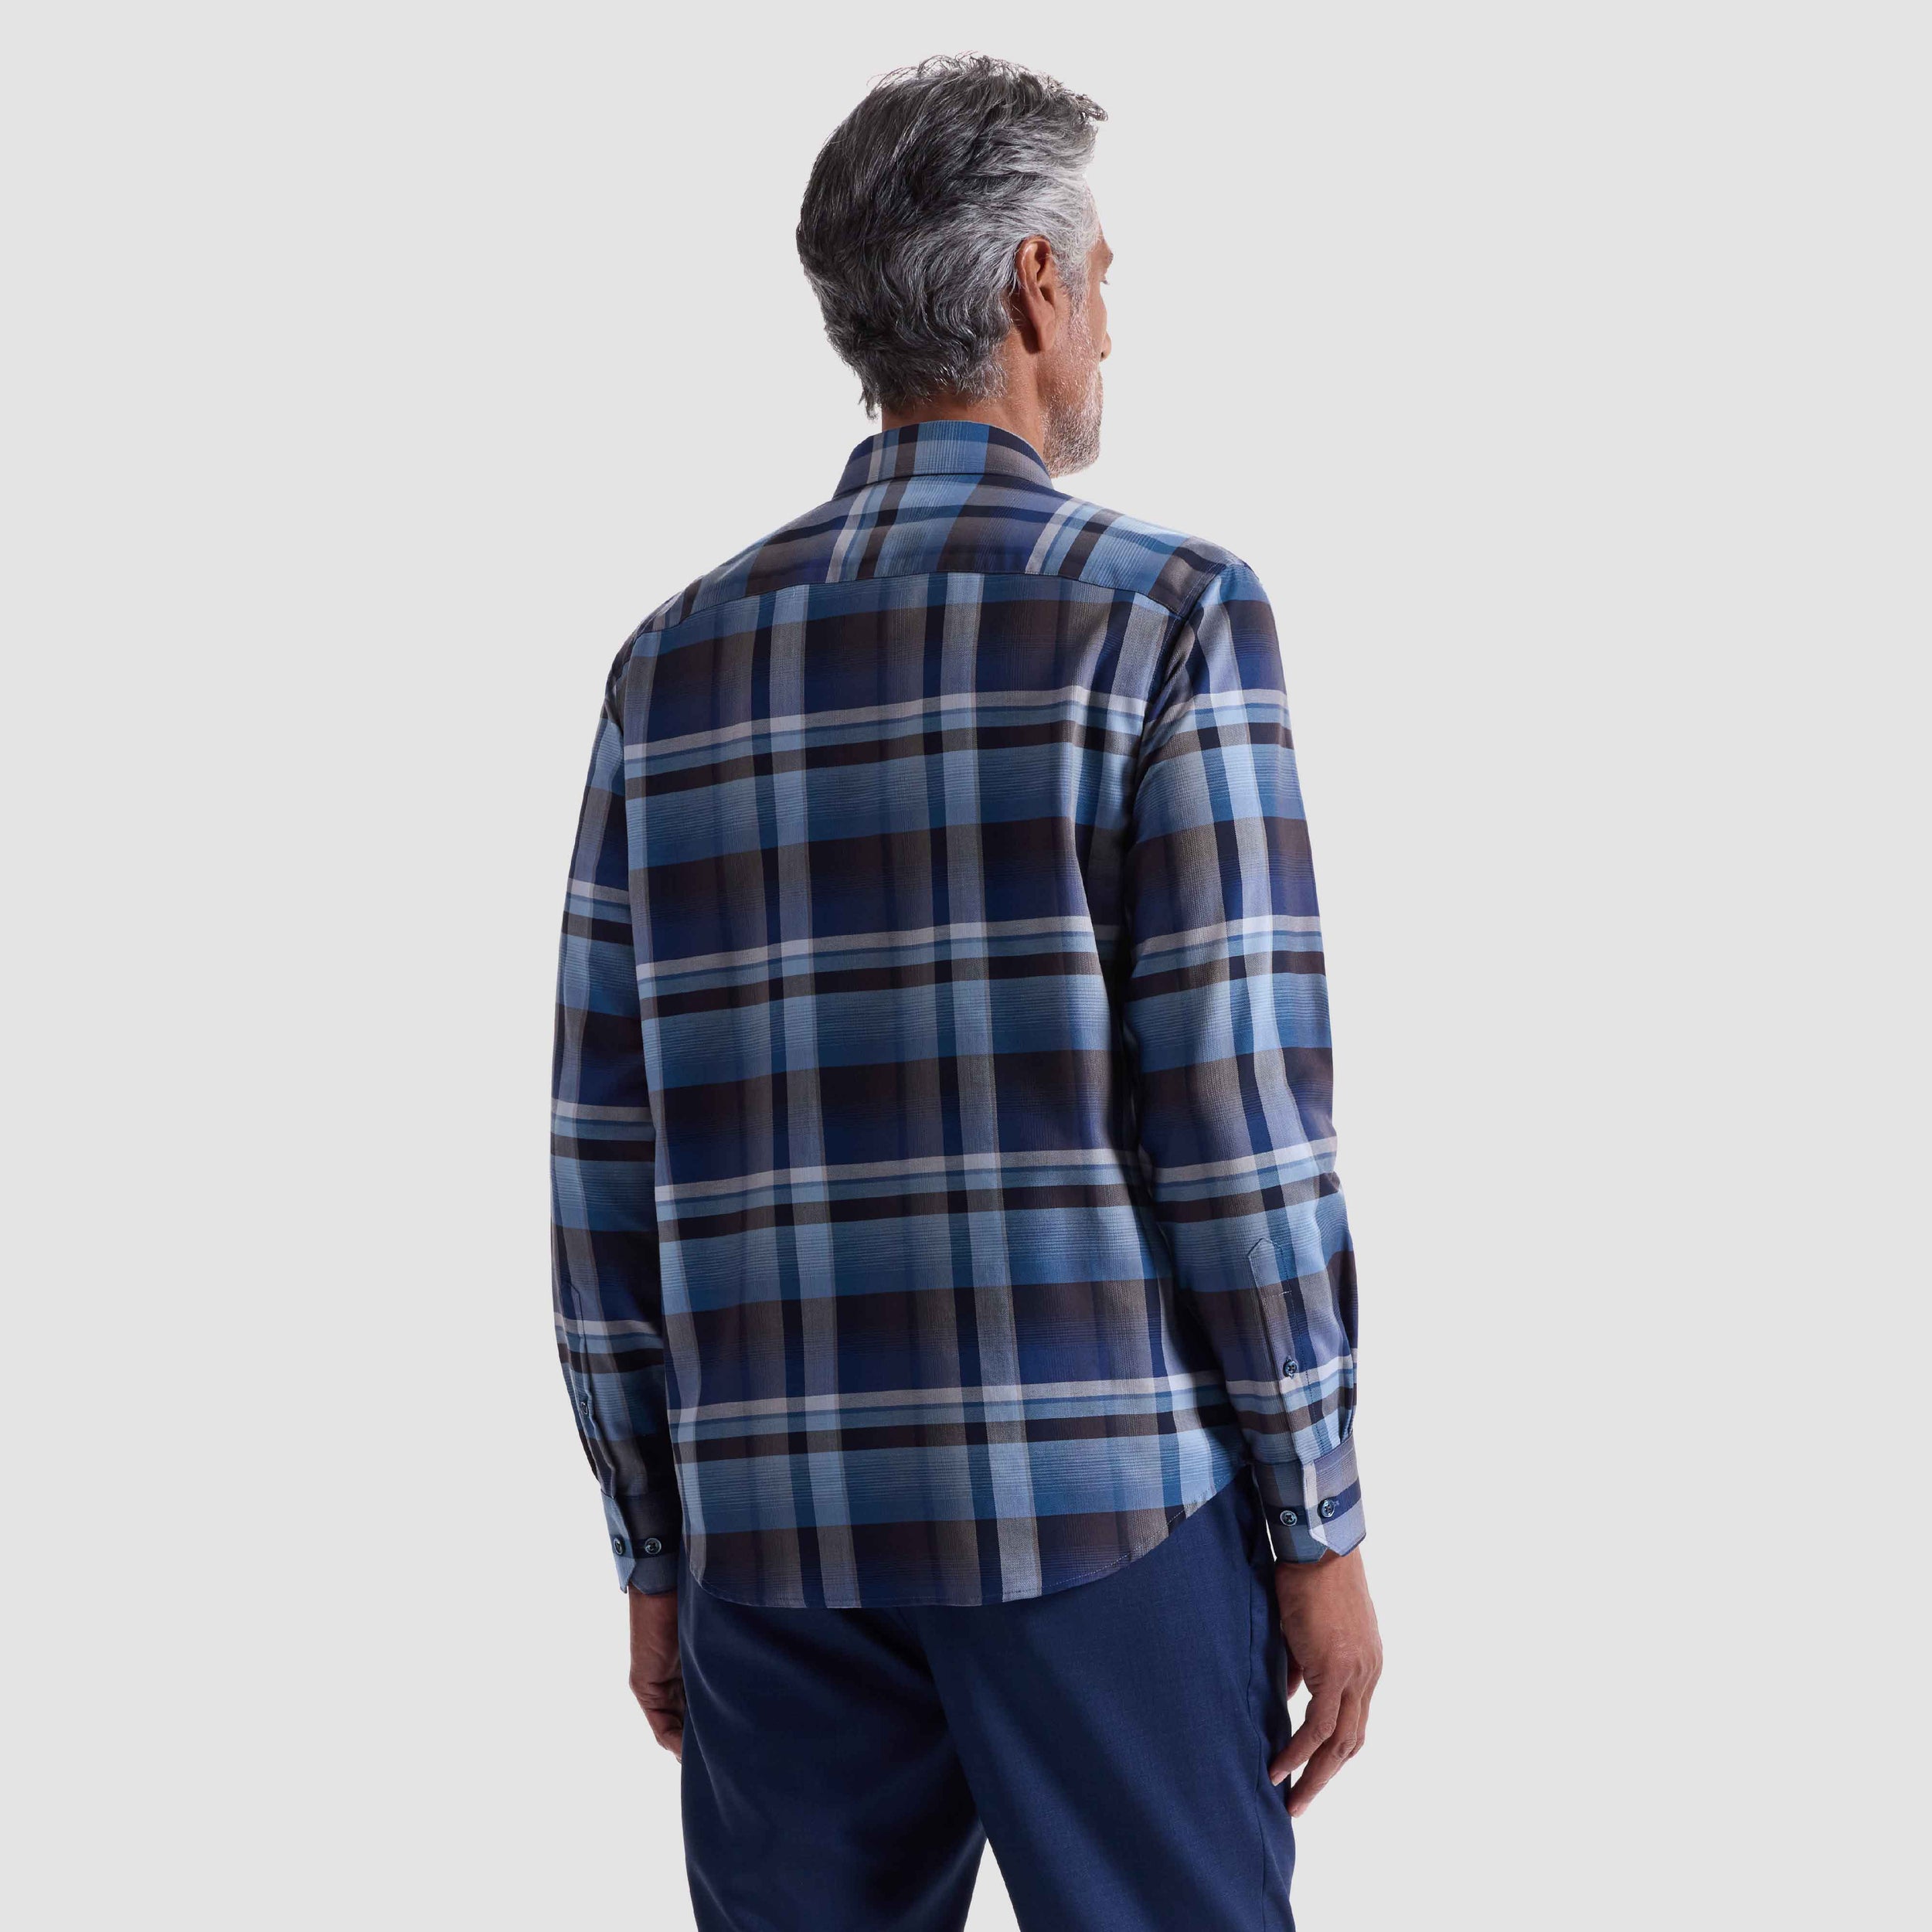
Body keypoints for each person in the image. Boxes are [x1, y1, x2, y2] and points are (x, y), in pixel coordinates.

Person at [550, 54, 1381, 1932]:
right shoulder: (1167, 614)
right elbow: (1235, 1118)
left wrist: (653, 1538)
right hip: (1096, 1513)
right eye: (1102, 275)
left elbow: (603, 1150)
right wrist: (1317, 1518)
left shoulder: (668, 666)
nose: (1107, 324)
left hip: (774, 1533)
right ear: (1032, 286)